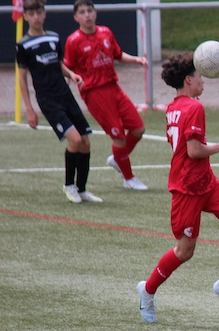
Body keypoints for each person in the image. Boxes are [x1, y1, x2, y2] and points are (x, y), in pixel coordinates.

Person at [135, 52, 219, 323]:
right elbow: (194, 150)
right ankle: (148, 289)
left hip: (206, 181)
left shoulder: (174, 107)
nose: (204, 80)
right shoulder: (194, 108)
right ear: (189, 79)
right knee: (184, 251)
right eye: (200, 75)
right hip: (187, 187)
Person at [16, 0, 101, 204]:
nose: (36, 17)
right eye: (31, 14)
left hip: (65, 94)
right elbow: (22, 78)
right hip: (48, 99)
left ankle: (82, 189)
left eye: (39, 13)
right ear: (25, 17)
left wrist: (72, 74)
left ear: (44, 14)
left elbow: (59, 64)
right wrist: (29, 109)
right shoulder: (23, 45)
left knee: (85, 142)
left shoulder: (53, 37)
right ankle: (69, 185)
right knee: (75, 140)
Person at [63, 0, 148, 191]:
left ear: (95, 13)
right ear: (76, 18)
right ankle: (129, 178)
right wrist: (65, 88)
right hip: (95, 93)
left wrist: (136, 60)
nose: (87, 15)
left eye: (89, 10)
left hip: (114, 87)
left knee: (138, 129)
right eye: (82, 12)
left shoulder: (106, 32)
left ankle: (118, 158)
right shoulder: (74, 41)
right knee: (118, 136)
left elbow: (118, 54)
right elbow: (67, 68)